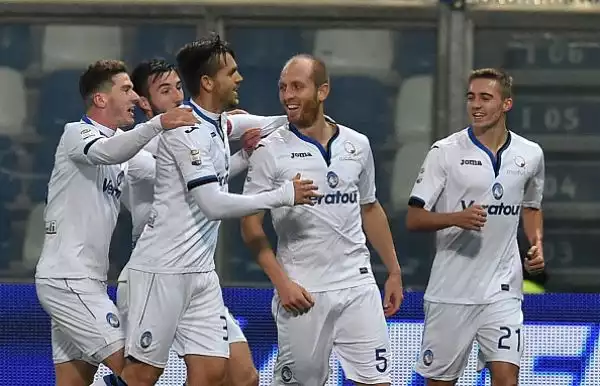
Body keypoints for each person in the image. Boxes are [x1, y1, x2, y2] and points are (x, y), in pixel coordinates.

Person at [118, 35, 319, 386]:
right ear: (209, 82)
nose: (239, 79)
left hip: (201, 273)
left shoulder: (220, 124)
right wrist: (282, 194)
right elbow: (212, 203)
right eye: (232, 72)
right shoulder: (185, 131)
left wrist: (310, 109)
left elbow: (268, 123)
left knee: (216, 372)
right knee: (142, 376)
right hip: (162, 270)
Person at [240, 54, 404, 386]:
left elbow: (369, 208)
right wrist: (282, 283)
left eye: (298, 87)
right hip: (302, 291)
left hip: (358, 286)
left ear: (322, 91)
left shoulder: (358, 144)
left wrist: (394, 271)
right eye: (283, 88)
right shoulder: (268, 150)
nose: (288, 95)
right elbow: (249, 223)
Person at [34, 59, 198, 386]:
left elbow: (173, 175)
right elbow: (107, 152)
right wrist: (158, 123)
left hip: (87, 281)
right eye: (126, 90)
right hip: (68, 279)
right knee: (137, 372)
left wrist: (232, 149)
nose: (136, 98)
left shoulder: (123, 152)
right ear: (100, 99)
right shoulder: (76, 134)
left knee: (73, 382)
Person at [405, 68, 546, 385]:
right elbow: (414, 218)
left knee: (507, 378)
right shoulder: (445, 152)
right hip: (451, 293)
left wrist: (536, 244)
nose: (476, 105)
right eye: (471, 98)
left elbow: (532, 207)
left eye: (486, 97)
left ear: (506, 103)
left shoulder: (531, 154)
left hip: (503, 291)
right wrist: (455, 218)